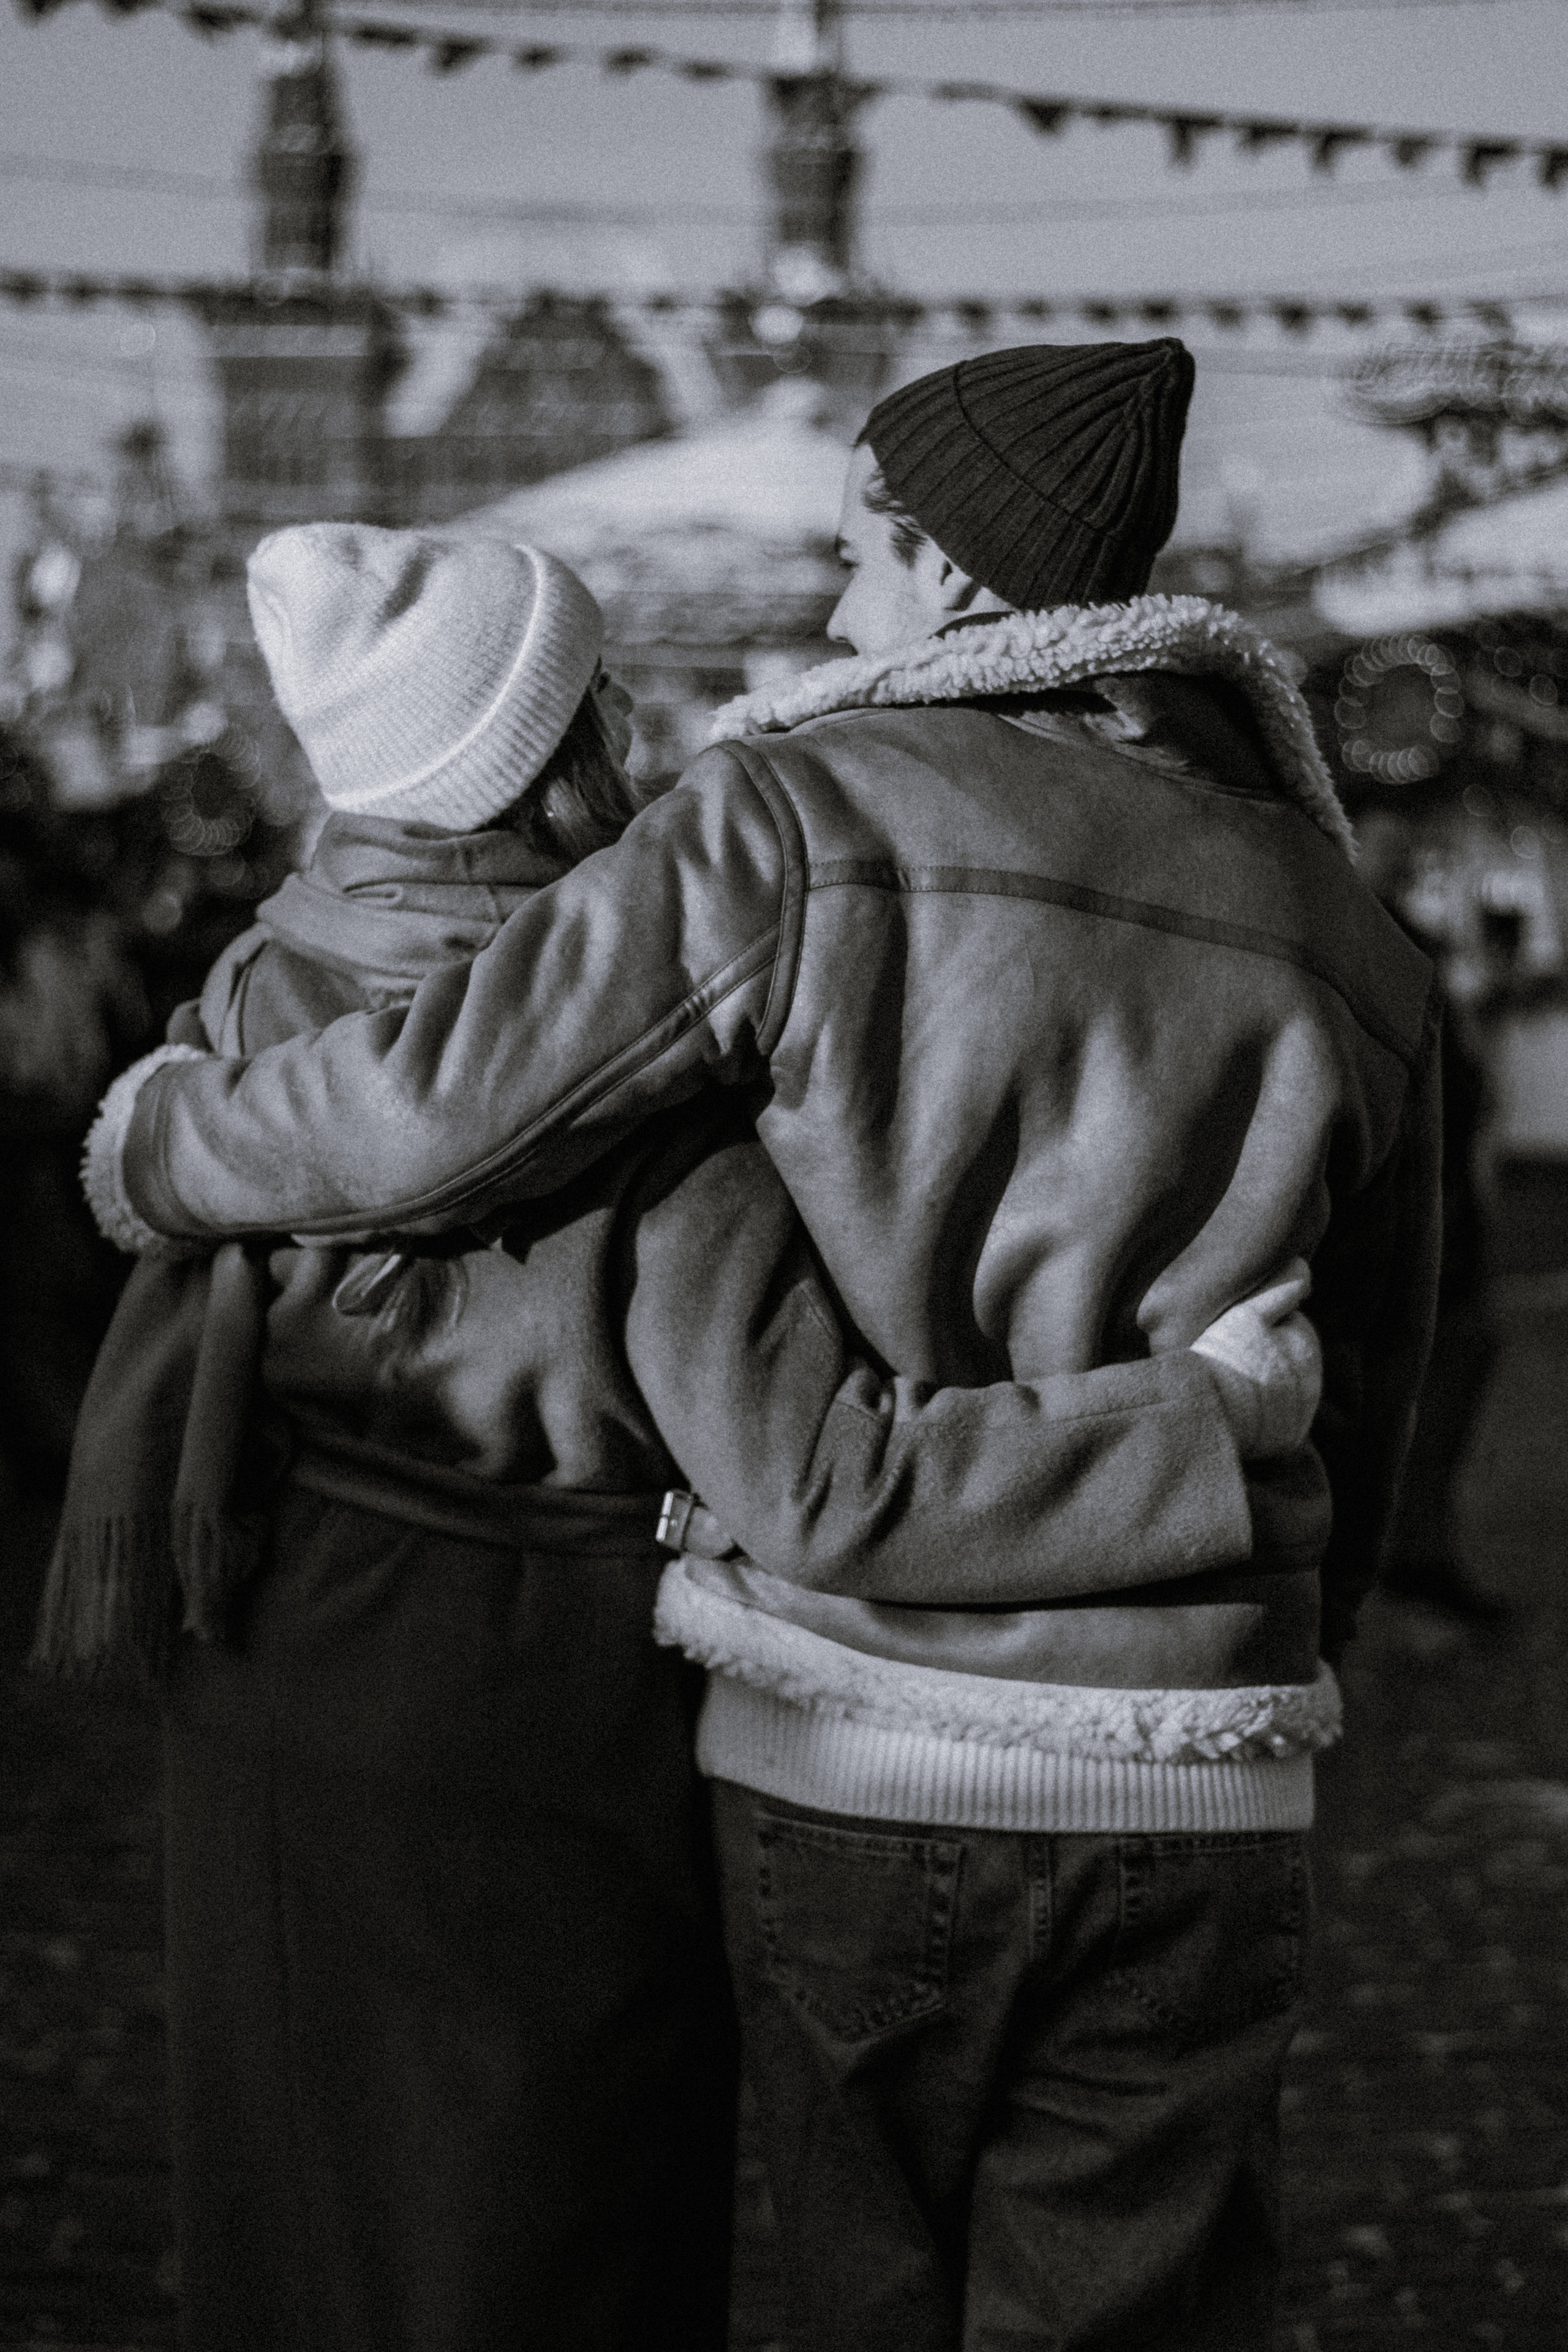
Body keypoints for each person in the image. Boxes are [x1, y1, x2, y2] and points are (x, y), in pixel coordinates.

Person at [84, 342, 1441, 2350]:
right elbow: (1386, 1384)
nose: (828, 610)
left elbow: (437, 1109)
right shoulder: (1336, 909)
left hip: (865, 1730)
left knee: (870, 2291)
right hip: (1204, 1766)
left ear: (963, 582)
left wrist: (154, 1139)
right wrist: (1258, 1567)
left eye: (859, 557)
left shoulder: (787, 824)